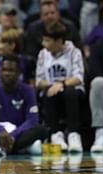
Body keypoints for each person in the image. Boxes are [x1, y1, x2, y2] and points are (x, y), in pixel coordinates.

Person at [0, 55, 47, 156]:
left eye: (11, 70)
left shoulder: (28, 91)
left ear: (19, 73)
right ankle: (21, 149)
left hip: (20, 132)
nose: (7, 73)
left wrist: (13, 135)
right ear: (0, 72)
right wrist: (1, 130)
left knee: (41, 130)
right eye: (4, 70)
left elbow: (32, 120)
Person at [35, 21, 84, 153]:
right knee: (49, 92)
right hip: (52, 91)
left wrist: (61, 84)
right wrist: (53, 85)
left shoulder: (74, 52)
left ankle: (74, 134)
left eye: (47, 40)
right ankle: (56, 134)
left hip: (72, 91)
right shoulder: (43, 54)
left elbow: (78, 78)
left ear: (58, 41)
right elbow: (39, 81)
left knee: (69, 92)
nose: (43, 44)